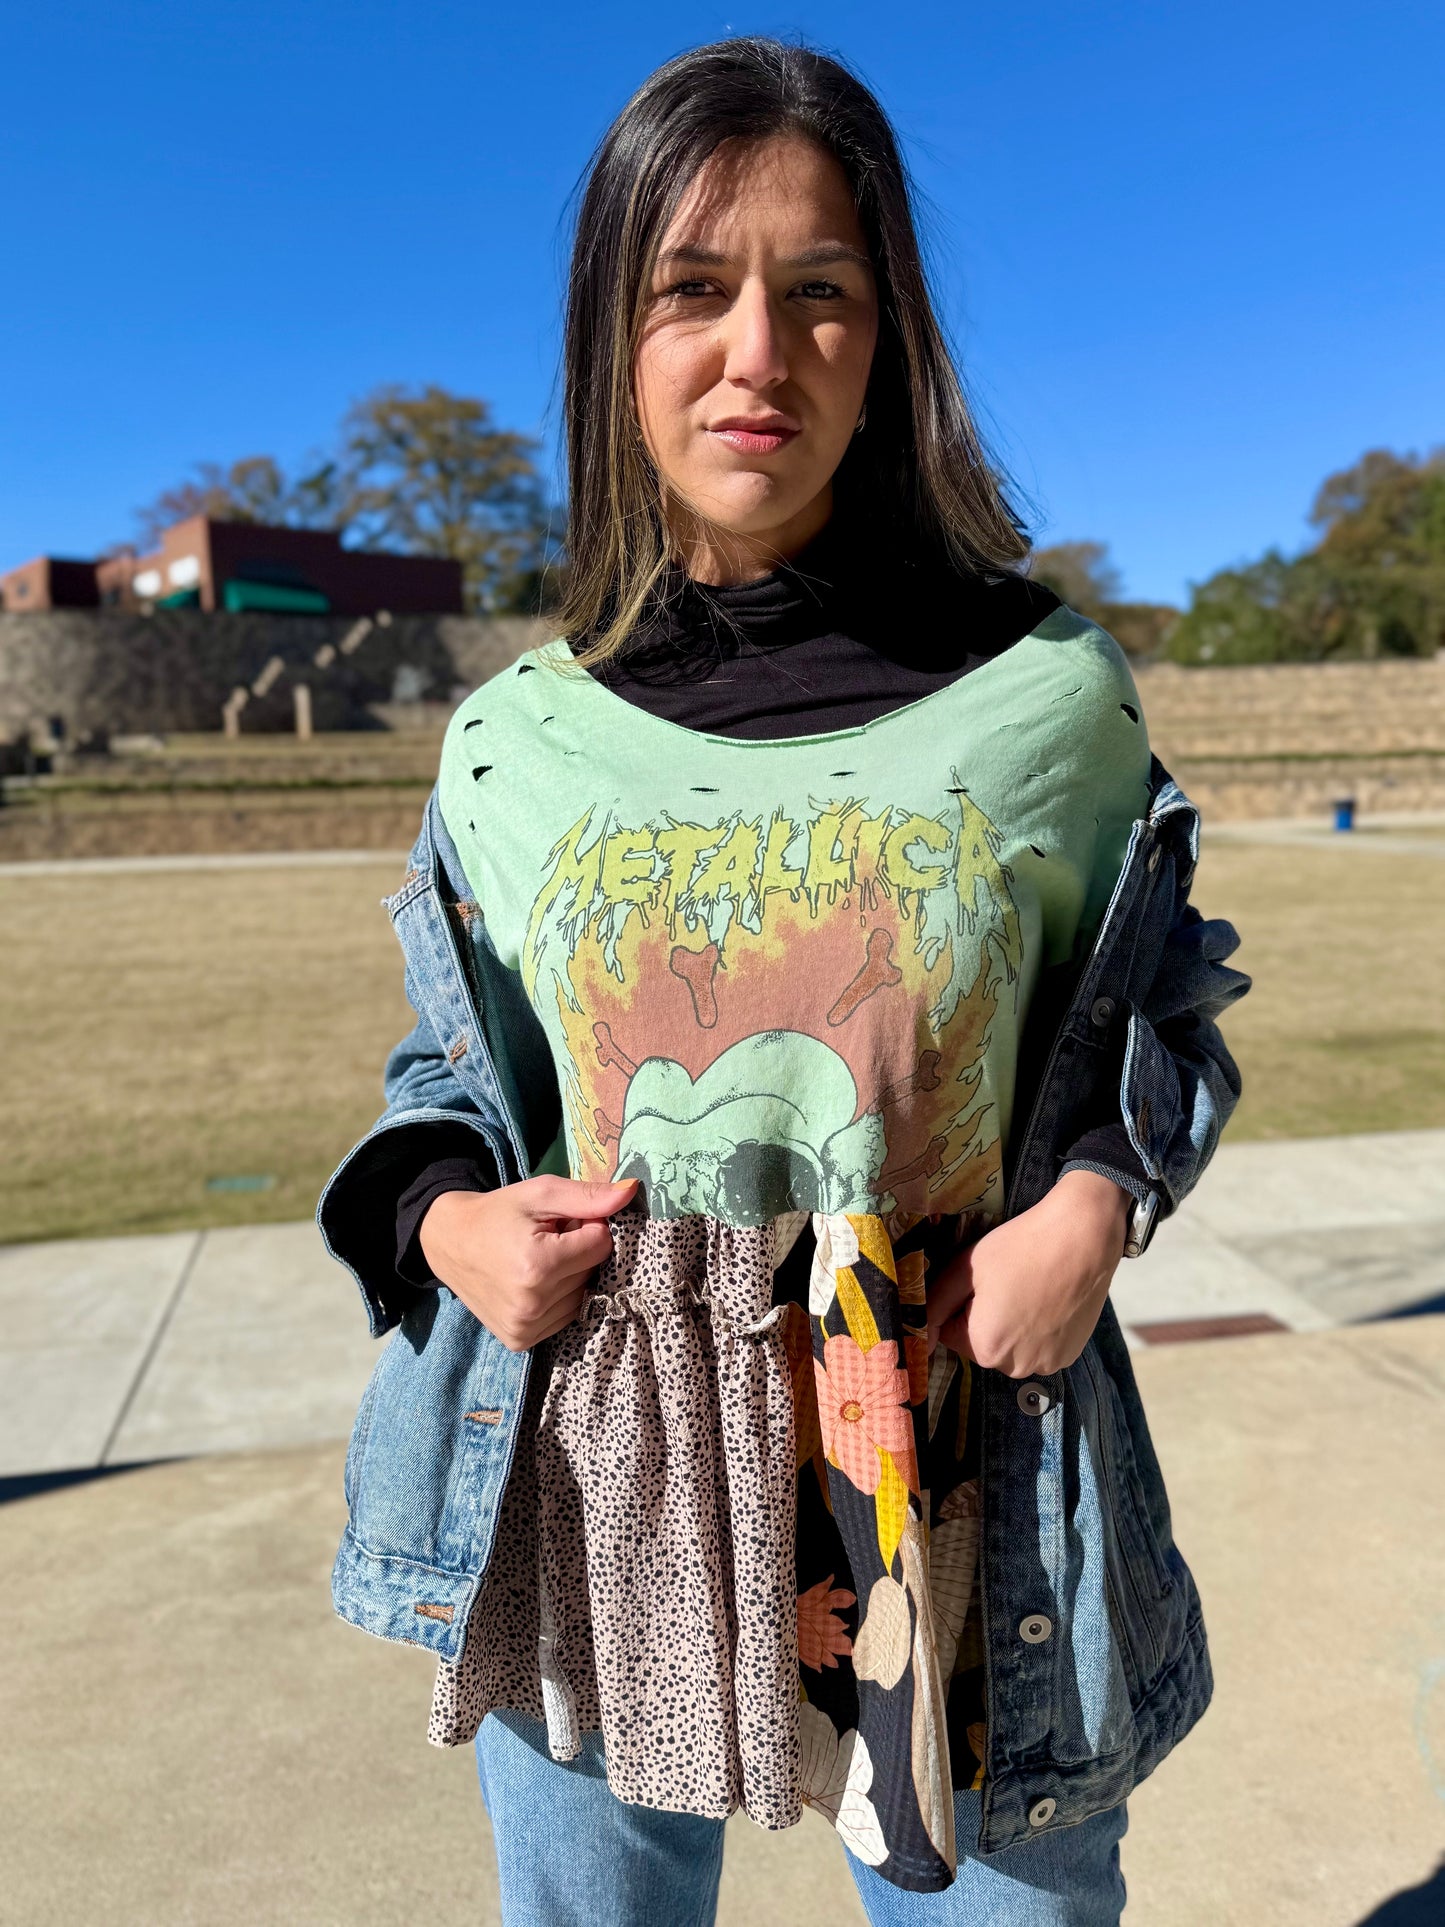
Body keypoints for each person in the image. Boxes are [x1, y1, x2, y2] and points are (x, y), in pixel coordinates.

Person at [319, 37, 1249, 1926]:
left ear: (885, 338)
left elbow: (1160, 1009)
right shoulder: (510, 745)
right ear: (615, 339)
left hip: (955, 1455)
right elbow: (454, 1074)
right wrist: (443, 1224)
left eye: (819, 291)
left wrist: (1096, 1199)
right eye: (692, 289)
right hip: (608, 1460)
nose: (759, 352)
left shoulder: (1047, 699)